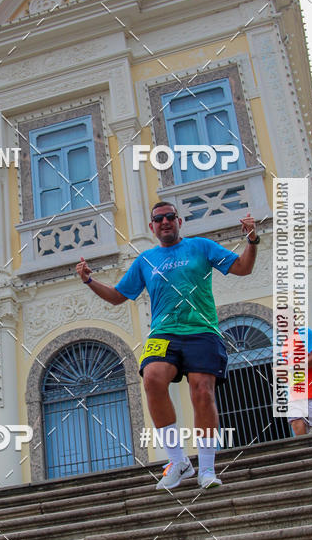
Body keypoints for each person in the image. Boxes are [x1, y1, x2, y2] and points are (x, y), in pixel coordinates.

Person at [76, 202, 259, 490]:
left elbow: (243, 268)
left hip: (202, 330)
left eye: (170, 217)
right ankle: (179, 462)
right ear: (152, 227)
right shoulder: (145, 260)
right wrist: (89, 280)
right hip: (164, 334)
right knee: (152, 379)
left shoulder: (201, 246)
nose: (164, 222)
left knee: (202, 391)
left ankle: (207, 469)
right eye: (158, 219)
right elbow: (116, 296)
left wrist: (251, 241)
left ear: (179, 221)